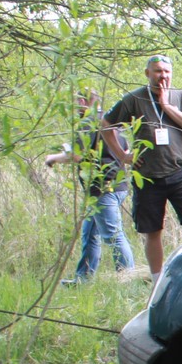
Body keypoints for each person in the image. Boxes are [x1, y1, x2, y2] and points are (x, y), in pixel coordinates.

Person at [101, 54, 182, 276]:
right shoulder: (135, 98)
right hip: (147, 175)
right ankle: (157, 279)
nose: (162, 76)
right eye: (158, 71)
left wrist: (166, 106)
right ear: (147, 73)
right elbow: (106, 125)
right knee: (153, 231)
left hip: (179, 172)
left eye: (166, 71)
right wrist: (122, 155)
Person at [46, 89, 137, 283]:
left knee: (113, 236)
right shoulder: (112, 121)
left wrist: (52, 158)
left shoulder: (88, 122)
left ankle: (129, 279)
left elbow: (75, 155)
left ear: (82, 101)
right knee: (90, 234)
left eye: (75, 102)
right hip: (118, 185)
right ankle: (82, 279)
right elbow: (126, 149)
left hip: (102, 189)